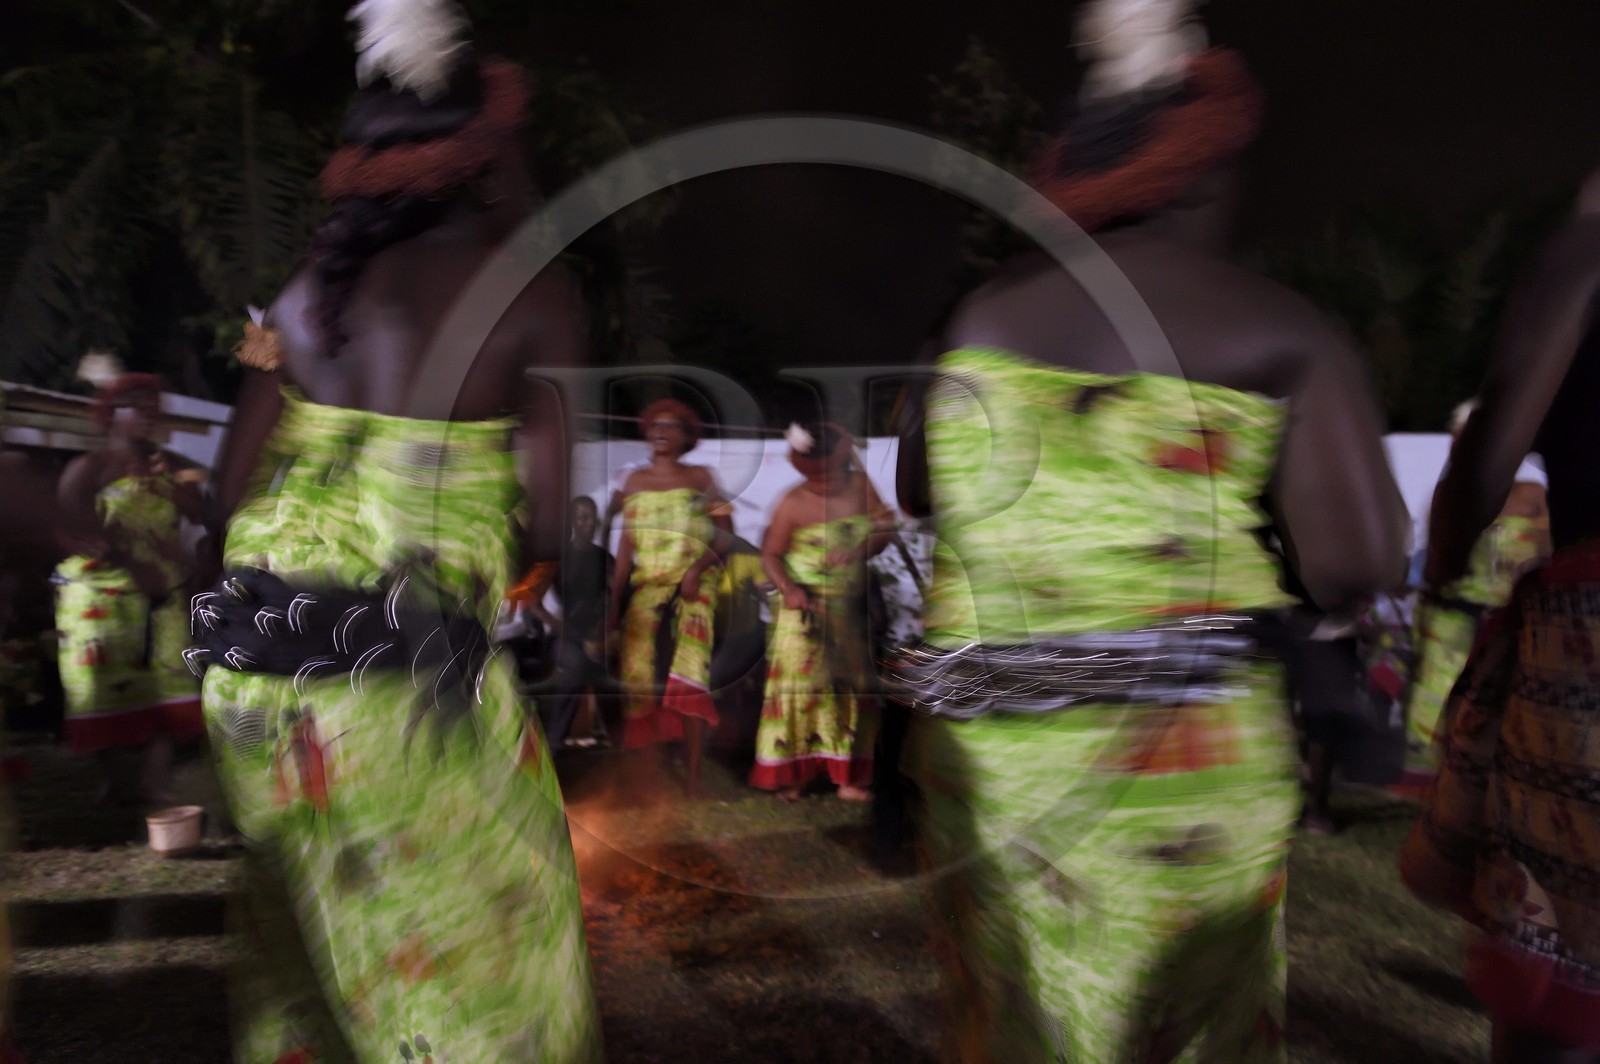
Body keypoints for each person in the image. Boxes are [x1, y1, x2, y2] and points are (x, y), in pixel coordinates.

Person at [894, 3, 1407, 1058]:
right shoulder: (1279, 325)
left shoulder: (982, 316)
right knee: (1187, 1025)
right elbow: (1355, 559)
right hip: (1184, 746)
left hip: (996, 750)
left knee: (1017, 1010)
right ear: (1206, 165)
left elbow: (920, 485)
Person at [190, 2, 601, 1059]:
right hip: (394, 678)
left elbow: (227, 491)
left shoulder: (296, 297)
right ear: (481, 150)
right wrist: (534, 564)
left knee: (309, 952)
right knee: (476, 971)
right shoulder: (533, 291)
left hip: (251, 674)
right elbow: (549, 513)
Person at [1401, 163, 1600, 1064]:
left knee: (1560, 976)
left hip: (1589, 658)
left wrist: (1445, 559)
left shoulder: (1585, 250)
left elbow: (1484, 467)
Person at [54, 370, 205, 805]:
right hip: (104, 597)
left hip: (163, 594)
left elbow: (204, 511)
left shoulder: (175, 466)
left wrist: (172, 489)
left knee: (166, 687)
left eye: (153, 410)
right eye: (135, 407)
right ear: (109, 415)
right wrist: (114, 551)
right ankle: (117, 781)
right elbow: (65, 527)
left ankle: (153, 784)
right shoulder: (89, 467)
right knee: (111, 686)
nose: (147, 416)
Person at [1402, 399, 1549, 787]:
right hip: (1451, 620)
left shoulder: (1531, 491)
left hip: (1506, 622)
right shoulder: (1451, 493)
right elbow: (1434, 559)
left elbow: (1548, 550)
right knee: (1442, 706)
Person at [750, 423, 893, 801]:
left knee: (850, 685)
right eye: (814, 474)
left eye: (828, 472)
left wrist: (858, 549)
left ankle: (849, 778)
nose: (821, 481)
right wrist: (791, 590)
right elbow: (770, 555)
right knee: (802, 688)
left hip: (848, 607)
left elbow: (884, 528)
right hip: (802, 609)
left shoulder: (862, 486)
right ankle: (794, 775)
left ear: (843, 461)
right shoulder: (793, 502)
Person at [608, 397, 732, 797]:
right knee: (637, 673)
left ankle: (693, 775)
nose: (661, 430)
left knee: (689, 672)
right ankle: (648, 772)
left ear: (687, 436)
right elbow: (627, 547)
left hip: (696, 584)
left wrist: (697, 570)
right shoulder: (632, 481)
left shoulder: (703, 477)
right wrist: (613, 606)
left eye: (672, 425)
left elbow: (726, 533)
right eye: (655, 424)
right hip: (648, 586)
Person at [530, 496, 615, 750]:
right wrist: (555, 624)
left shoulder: (604, 559)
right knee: (576, 665)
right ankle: (552, 746)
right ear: (572, 522)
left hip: (595, 637)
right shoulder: (557, 558)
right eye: (582, 517)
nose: (589, 523)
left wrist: (606, 623)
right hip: (561, 637)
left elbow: (616, 595)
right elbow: (532, 603)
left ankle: (622, 744)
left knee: (619, 664)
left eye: (592, 518)